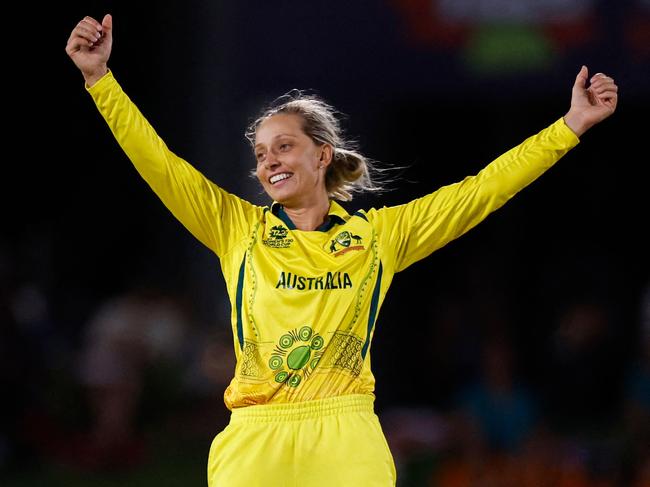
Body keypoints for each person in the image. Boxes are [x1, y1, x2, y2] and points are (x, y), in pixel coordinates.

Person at [65, 13, 618, 487]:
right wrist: (100, 80)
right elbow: (158, 164)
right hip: (256, 439)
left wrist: (569, 126)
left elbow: (482, 190)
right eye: (261, 154)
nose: (270, 162)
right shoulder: (237, 227)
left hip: (346, 436)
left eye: (285, 146)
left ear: (322, 156)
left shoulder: (379, 236)